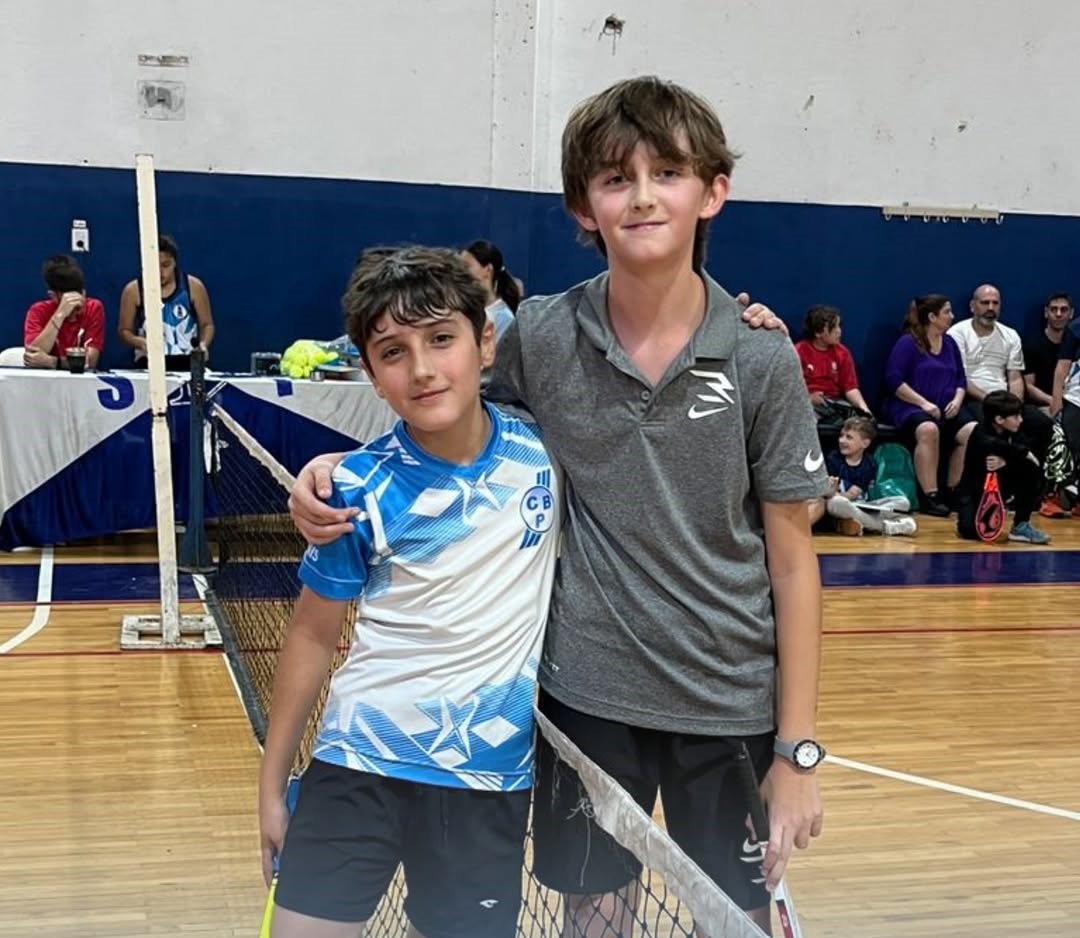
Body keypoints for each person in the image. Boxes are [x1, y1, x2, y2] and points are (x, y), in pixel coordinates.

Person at [289, 76, 824, 936]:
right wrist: (330, 467)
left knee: (741, 920)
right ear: (584, 206)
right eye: (616, 178)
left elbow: (794, 563)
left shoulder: (761, 361)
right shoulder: (540, 334)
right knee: (594, 918)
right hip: (584, 698)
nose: (643, 196)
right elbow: (441, 414)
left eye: (669, 174)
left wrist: (797, 752)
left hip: (729, 707)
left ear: (713, 191)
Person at [259, 246, 562, 938]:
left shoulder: (546, 455)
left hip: (484, 781)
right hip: (355, 763)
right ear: (370, 373)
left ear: (486, 342)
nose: (422, 369)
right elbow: (311, 634)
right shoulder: (356, 490)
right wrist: (271, 785)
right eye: (393, 352)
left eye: (442, 339)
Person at [883, 295, 977, 516]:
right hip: (910, 405)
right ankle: (930, 495)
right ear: (932, 317)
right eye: (947, 312)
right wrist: (924, 403)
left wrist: (957, 400)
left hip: (946, 406)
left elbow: (961, 380)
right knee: (928, 429)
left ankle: (954, 489)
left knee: (971, 431)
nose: (952, 316)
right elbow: (894, 381)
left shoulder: (950, 343)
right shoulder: (908, 343)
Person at [948, 284, 1054, 463]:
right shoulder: (957, 333)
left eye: (995, 303)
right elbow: (961, 378)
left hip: (1006, 400)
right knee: (987, 426)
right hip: (974, 398)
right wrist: (992, 403)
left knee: (1043, 424)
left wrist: (1014, 405)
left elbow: (1014, 377)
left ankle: (1039, 478)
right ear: (972, 306)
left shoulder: (1010, 335)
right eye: (985, 303)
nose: (990, 308)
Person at [956, 391, 1051, 544]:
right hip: (976, 489)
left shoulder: (1015, 431)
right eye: (1015, 417)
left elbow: (1028, 452)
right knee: (969, 531)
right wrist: (1021, 453)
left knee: (1031, 469)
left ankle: (1021, 525)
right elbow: (992, 443)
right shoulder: (980, 432)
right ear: (999, 419)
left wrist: (1006, 461)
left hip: (1004, 482)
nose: (1020, 420)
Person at [807, 416, 917, 537]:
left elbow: (852, 495)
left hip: (860, 505)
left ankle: (864, 523)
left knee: (903, 502)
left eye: (849, 437)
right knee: (836, 503)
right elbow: (827, 495)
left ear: (865, 443)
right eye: (841, 436)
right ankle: (885, 527)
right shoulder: (833, 458)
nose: (841, 440)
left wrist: (837, 494)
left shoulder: (869, 464)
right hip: (838, 504)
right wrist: (830, 491)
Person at [117, 234, 214, 370]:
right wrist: (140, 342)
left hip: (188, 361)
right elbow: (124, 330)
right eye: (154, 266)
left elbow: (207, 325)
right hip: (149, 362)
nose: (160, 272)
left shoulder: (193, 286)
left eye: (166, 265)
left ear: (174, 262)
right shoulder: (133, 290)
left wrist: (203, 344)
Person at [22, 255, 105, 370]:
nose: (76, 306)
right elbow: (32, 357)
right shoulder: (37, 311)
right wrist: (60, 314)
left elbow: (90, 362)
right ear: (52, 296)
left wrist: (54, 362)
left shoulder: (93, 307)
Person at [794, 304, 871, 418]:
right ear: (818, 332)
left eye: (839, 326)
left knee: (856, 422)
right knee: (805, 418)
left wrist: (864, 410)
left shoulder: (842, 353)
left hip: (835, 402)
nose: (839, 331)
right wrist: (808, 398)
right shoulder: (799, 351)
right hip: (806, 403)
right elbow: (789, 387)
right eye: (834, 327)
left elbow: (851, 389)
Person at [460, 239, 520, 341]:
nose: (461, 271)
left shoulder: (504, 319)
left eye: (466, 266)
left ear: (488, 270)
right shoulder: (465, 310)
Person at [1023, 292, 1073, 409]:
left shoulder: (1076, 346)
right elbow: (1028, 385)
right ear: (1046, 313)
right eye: (1054, 309)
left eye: (1064, 310)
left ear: (1071, 314)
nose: (1058, 314)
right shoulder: (1031, 345)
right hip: (1043, 406)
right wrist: (1054, 401)